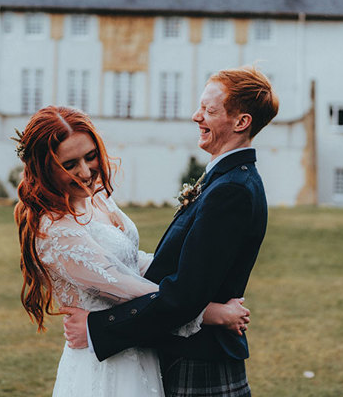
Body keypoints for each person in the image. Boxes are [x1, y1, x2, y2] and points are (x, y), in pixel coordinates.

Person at [63, 66, 279, 397]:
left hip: (197, 361)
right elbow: (173, 269)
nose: (197, 116)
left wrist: (97, 329)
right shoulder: (226, 179)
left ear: (241, 122)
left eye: (209, 110)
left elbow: (184, 297)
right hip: (189, 353)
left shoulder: (231, 190)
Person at [13, 106, 251, 397]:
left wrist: (192, 280)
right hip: (105, 366)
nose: (86, 172)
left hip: (137, 346)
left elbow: (132, 261)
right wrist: (209, 312)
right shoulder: (54, 230)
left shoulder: (96, 199)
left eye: (90, 156)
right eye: (69, 164)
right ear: (45, 169)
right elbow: (126, 287)